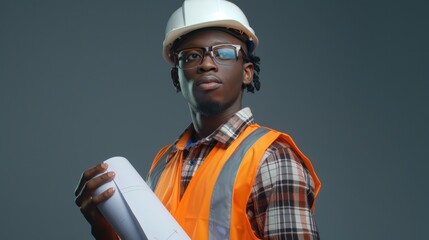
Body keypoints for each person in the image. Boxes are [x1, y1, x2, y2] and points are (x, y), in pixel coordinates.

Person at [74, 0, 321, 239]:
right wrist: (105, 231)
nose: (206, 64)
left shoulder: (271, 159)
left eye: (224, 53)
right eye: (191, 56)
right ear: (176, 78)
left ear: (247, 72)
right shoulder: (163, 164)